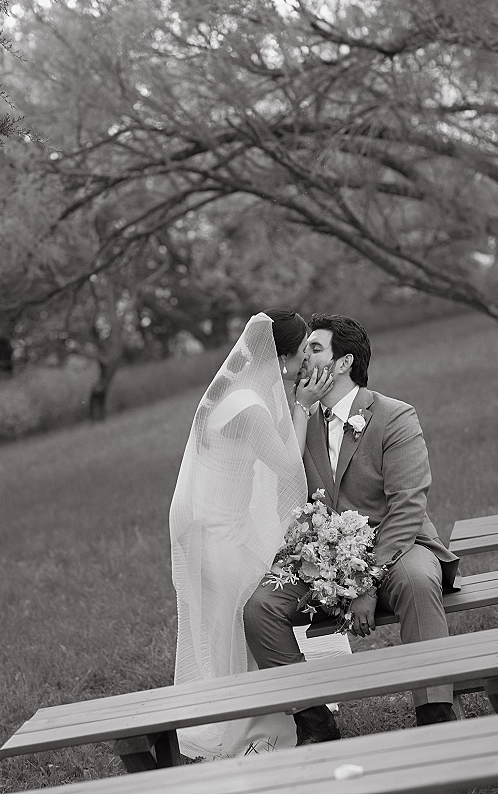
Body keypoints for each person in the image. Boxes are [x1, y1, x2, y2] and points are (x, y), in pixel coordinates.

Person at [244, 313, 461, 745]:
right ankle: (316, 724)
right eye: (303, 349)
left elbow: (407, 507)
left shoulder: (395, 416)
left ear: (343, 364)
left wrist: (365, 580)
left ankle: (436, 715)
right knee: (259, 609)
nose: (303, 357)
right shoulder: (297, 424)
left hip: (397, 544)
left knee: (419, 580)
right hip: (320, 553)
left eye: (315, 349)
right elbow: (286, 493)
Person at [169, 309, 349, 760]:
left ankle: (273, 714)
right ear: (281, 357)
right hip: (217, 533)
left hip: (213, 525)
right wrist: (305, 406)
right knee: (236, 625)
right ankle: (251, 731)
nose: (306, 362)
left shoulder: (235, 390)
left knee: (232, 624)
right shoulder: (247, 406)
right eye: (302, 351)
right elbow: (287, 467)